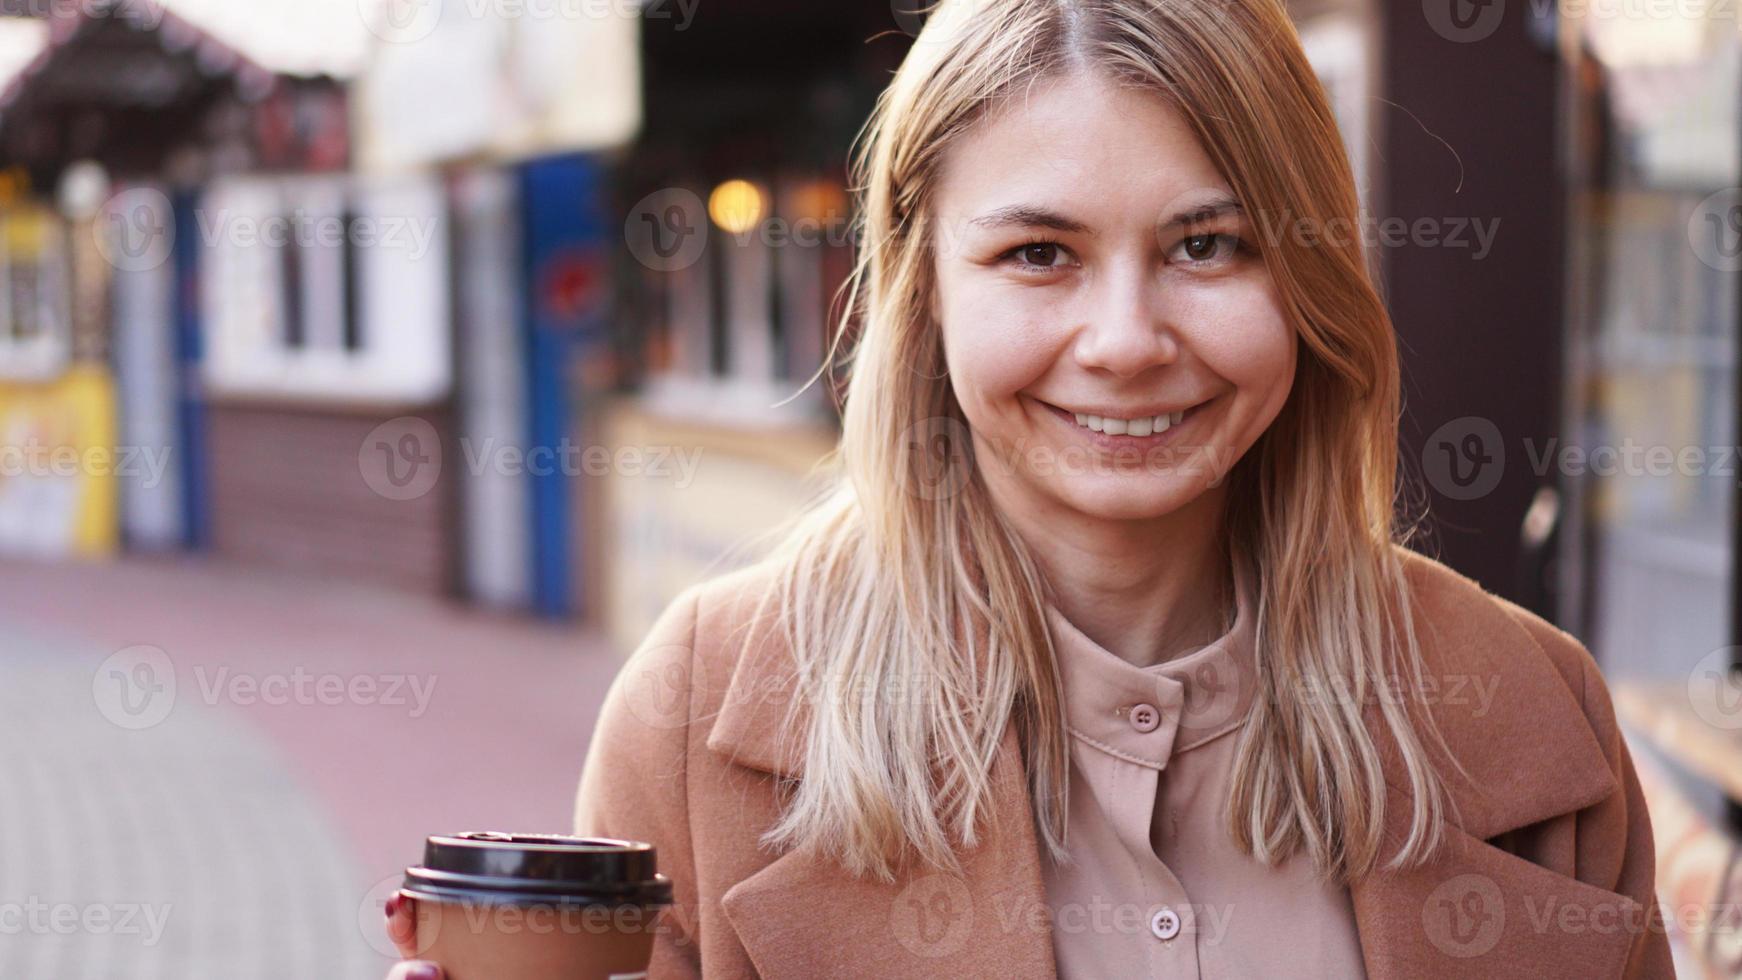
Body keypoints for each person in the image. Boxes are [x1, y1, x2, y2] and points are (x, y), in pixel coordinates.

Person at [386, 0, 1675, 975]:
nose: (1125, 339)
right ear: (922, 287)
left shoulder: (1530, 709)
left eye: (1207, 244)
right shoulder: (702, 713)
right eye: (1040, 252)